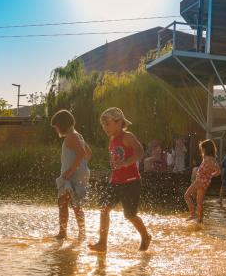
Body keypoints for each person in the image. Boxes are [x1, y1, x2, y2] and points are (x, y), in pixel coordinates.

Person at [89, 107, 151, 252]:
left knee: (129, 215)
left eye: (107, 124)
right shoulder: (112, 140)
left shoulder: (127, 136)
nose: (105, 128)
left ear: (119, 122)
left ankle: (145, 236)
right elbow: (115, 161)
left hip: (131, 182)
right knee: (104, 208)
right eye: (103, 125)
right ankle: (102, 243)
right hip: (115, 181)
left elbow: (140, 151)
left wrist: (125, 163)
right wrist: (112, 175)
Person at [51, 110, 92, 240]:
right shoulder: (78, 135)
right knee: (76, 204)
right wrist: (82, 166)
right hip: (79, 173)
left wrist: (70, 170)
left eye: (56, 126)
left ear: (61, 124)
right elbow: (88, 153)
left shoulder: (71, 137)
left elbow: (81, 153)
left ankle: (62, 233)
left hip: (70, 175)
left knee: (62, 202)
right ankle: (82, 233)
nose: (56, 129)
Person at [184, 139, 221, 223]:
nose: (201, 150)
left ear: (206, 149)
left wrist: (208, 174)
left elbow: (216, 170)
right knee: (199, 202)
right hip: (205, 182)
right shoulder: (213, 158)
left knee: (186, 195)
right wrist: (210, 175)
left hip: (200, 181)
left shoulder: (207, 158)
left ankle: (193, 214)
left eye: (202, 148)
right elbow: (218, 171)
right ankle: (200, 220)